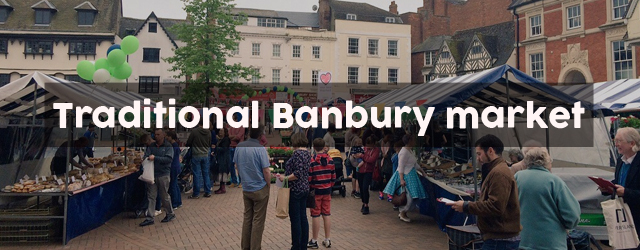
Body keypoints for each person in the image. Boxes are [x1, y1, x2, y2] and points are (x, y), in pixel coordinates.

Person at [448, 134, 521, 250]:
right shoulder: (496, 170)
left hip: (500, 240)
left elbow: (496, 206)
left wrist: (466, 206)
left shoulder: (499, 173)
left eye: (479, 154)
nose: (478, 158)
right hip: (498, 238)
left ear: (490, 151)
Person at [515, 147, 580, 250]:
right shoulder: (554, 181)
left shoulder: (518, 177)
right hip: (551, 242)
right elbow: (572, 215)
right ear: (547, 162)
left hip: (523, 240)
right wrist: (567, 225)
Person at [234, 126, 271, 250]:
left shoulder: (239, 147)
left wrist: (243, 179)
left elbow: (237, 165)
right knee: (258, 221)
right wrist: (268, 184)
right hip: (260, 187)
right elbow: (266, 170)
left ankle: (245, 246)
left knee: (247, 218)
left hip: (246, 187)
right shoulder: (260, 149)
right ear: (261, 136)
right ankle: (255, 247)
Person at [602, 127, 640, 242]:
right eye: (615, 140)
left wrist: (626, 192)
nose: (616, 144)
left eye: (619, 141)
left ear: (631, 143)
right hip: (622, 216)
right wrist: (607, 186)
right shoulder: (620, 160)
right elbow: (619, 181)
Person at [277, 133, 311, 250]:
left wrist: (284, 178)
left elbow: (297, 173)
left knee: (295, 219)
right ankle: (303, 244)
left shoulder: (297, 154)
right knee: (303, 217)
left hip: (295, 189)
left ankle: (296, 245)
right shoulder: (307, 153)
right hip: (305, 188)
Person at [383, 135, 427, 222]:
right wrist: (402, 179)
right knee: (409, 197)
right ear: (409, 141)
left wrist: (422, 171)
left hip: (411, 176)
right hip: (406, 176)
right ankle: (403, 212)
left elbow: (414, 164)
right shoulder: (404, 152)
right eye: (413, 140)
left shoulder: (409, 151)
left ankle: (403, 212)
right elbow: (401, 166)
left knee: (412, 197)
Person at [139, 128, 176, 227]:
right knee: (151, 196)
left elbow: (168, 159)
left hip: (163, 174)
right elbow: (146, 156)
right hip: (152, 174)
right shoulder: (151, 146)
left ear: (163, 135)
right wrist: (146, 158)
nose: (156, 136)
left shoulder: (168, 146)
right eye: (155, 134)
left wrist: (155, 158)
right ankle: (150, 217)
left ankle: (170, 213)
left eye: (158, 134)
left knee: (164, 195)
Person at [307, 139, 336, 248]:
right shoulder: (330, 160)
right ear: (324, 147)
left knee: (315, 215)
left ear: (314, 147)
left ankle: (314, 240)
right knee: (326, 214)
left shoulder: (312, 161)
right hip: (327, 191)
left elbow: (309, 178)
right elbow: (334, 177)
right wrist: (329, 186)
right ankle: (327, 239)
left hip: (316, 191)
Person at [186, 123, 212, 199]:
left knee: (196, 174)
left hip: (196, 154)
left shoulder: (194, 132)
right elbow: (210, 143)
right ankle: (207, 191)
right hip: (205, 154)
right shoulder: (209, 132)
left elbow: (189, 142)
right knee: (206, 173)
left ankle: (196, 193)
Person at [360, 137, 380, 215]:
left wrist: (363, 157)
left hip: (369, 171)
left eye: (369, 145)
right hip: (360, 170)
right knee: (361, 188)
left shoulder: (376, 150)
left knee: (365, 187)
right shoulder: (364, 148)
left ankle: (366, 205)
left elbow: (371, 160)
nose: (368, 147)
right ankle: (363, 201)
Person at [166, 131, 183, 210]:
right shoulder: (175, 145)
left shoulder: (172, 146)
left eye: (167, 136)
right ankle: (178, 202)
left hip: (173, 167)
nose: (166, 138)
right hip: (176, 166)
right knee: (175, 184)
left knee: (173, 185)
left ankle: (174, 203)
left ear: (170, 137)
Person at [229, 114, 245, 188]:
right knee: (231, 165)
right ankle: (234, 181)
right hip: (231, 147)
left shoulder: (241, 127)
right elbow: (229, 136)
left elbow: (238, 137)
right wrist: (233, 137)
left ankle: (242, 182)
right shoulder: (231, 128)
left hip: (238, 147)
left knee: (239, 165)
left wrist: (232, 137)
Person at [214, 128, 231, 194]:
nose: (220, 132)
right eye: (219, 131)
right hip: (221, 158)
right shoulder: (220, 139)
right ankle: (221, 187)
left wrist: (216, 148)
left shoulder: (226, 139)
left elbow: (224, 149)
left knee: (222, 172)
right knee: (220, 172)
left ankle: (223, 188)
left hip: (224, 159)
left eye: (221, 131)